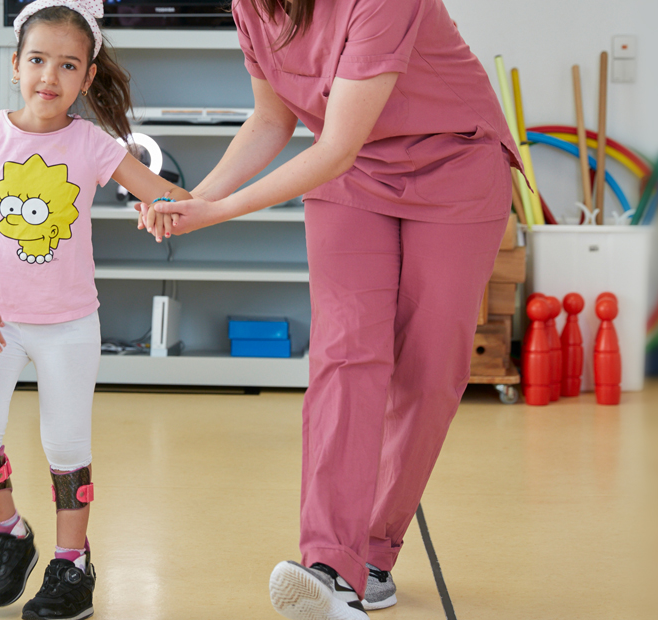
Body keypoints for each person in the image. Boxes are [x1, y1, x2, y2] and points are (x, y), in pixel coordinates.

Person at [139, 0, 521, 618]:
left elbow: (336, 143)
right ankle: (330, 566)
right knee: (345, 355)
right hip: (353, 177)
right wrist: (194, 198)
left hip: (454, 165)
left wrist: (220, 212)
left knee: (428, 374)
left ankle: (375, 552)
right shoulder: (251, 6)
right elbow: (271, 119)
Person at [0, 1, 186, 617]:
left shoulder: (91, 143)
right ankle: (9, 535)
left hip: (69, 324)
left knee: (66, 445)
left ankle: (73, 568)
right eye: (38, 60)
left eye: (67, 65)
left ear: (87, 77)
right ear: (15, 64)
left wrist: (167, 209)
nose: (50, 75)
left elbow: (169, 197)